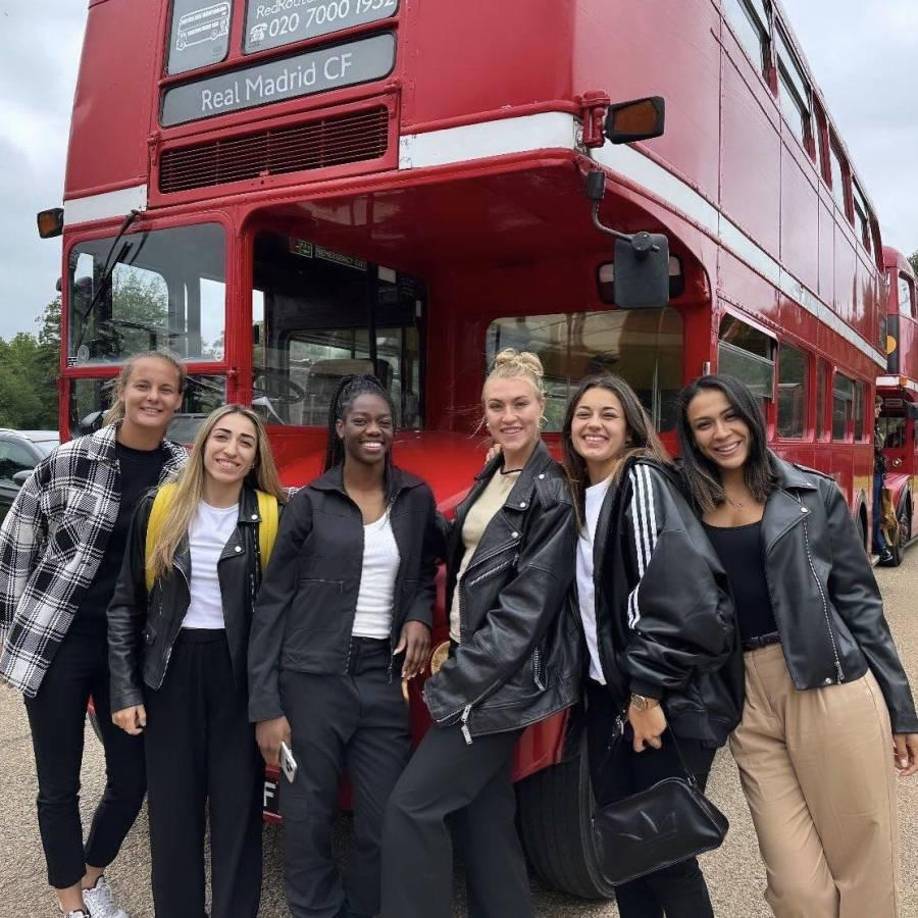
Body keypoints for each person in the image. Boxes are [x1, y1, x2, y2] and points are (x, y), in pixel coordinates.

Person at [677, 373, 918, 918]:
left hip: (828, 681)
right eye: (703, 425)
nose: (720, 432)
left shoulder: (812, 494)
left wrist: (902, 710)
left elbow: (860, 603)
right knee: (795, 888)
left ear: (751, 416)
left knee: (863, 867)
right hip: (746, 699)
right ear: (690, 438)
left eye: (729, 416)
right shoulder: (683, 506)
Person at [381, 349, 582, 918]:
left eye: (520, 404)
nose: (507, 415)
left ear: (543, 407)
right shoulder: (496, 471)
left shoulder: (551, 491)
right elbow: (466, 553)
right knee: (486, 818)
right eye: (496, 406)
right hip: (478, 666)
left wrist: (457, 684)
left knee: (411, 809)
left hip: (497, 683)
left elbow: (525, 614)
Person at [0, 351, 187, 918]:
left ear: (180, 401)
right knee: (59, 784)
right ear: (122, 392)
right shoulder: (68, 461)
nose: (153, 398)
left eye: (166, 390)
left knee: (133, 777)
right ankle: (71, 904)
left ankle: (90, 873)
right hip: (61, 638)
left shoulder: (185, 472)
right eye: (143, 387)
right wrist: (16, 632)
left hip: (129, 647)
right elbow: (16, 544)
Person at [248, 374, 441, 918]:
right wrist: (266, 705)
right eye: (360, 420)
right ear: (341, 427)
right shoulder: (310, 501)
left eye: (382, 421)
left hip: (382, 679)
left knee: (384, 822)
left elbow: (427, 568)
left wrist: (419, 615)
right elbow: (273, 602)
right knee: (306, 820)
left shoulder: (414, 498)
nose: (372, 430)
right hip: (311, 679)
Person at [562, 374, 741, 918]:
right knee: (626, 847)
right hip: (606, 697)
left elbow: (670, 596)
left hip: (660, 697)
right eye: (583, 414)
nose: (594, 424)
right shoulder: (579, 494)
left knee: (667, 855)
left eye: (608, 415)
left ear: (630, 427)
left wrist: (646, 696)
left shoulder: (638, 479)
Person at [107, 404, 284, 918]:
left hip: (238, 679)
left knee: (238, 818)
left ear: (255, 458)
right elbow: (125, 605)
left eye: (245, 442)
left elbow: (282, 621)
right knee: (173, 821)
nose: (231, 449)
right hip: (170, 674)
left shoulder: (272, 516)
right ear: (202, 444)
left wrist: (273, 701)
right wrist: (125, 690)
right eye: (222, 437)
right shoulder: (160, 508)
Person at [873, 395, 894, 565]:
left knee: (879, 509)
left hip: (878, 472)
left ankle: (880, 546)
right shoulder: (868, 427)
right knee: (874, 511)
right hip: (873, 473)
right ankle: (880, 547)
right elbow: (877, 447)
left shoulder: (875, 426)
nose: (880, 410)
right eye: (877, 407)